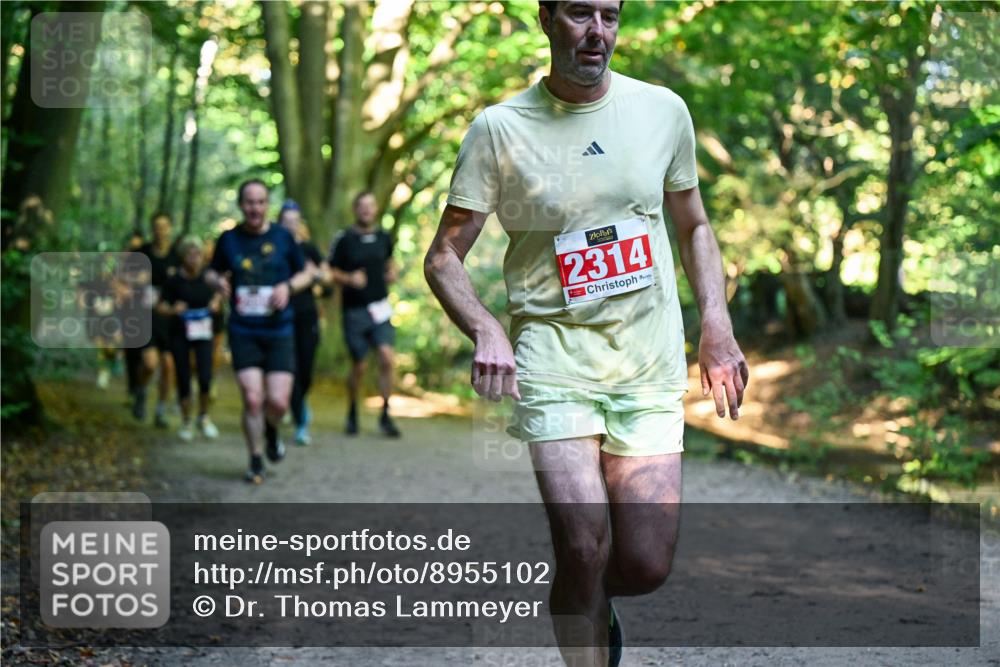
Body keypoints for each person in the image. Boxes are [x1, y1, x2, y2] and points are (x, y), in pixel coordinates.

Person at [424, 2, 750, 665]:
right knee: (581, 545)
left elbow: (694, 225)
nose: (597, 31)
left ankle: (587, 600)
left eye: (610, 15)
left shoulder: (662, 112)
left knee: (646, 563)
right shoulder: (499, 129)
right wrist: (486, 328)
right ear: (546, 19)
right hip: (553, 358)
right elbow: (443, 257)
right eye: (580, 13)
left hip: (646, 362)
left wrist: (716, 323)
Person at [205, 179, 310, 483]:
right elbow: (211, 272)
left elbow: (307, 272)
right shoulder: (228, 239)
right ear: (241, 205)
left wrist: (287, 287)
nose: (255, 208)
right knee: (252, 398)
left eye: (261, 202)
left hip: (279, 330)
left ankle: (272, 429)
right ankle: (255, 459)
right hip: (243, 330)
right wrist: (217, 282)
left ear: (267, 205)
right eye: (250, 202)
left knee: (278, 402)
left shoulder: (283, 238)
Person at [327, 192, 401, 438]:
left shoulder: (383, 237)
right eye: (362, 206)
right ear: (355, 209)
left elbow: (390, 261)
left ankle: (386, 414)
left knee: (387, 358)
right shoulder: (344, 239)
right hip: (354, 311)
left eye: (370, 206)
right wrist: (348, 278)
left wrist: (392, 272)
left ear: (376, 209)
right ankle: (352, 411)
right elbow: (329, 270)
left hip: (380, 308)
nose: (366, 210)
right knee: (359, 365)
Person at [157, 236, 222, 442]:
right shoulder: (174, 280)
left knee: (205, 376)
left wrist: (216, 302)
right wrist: (173, 310)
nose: (194, 258)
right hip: (180, 334)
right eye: (190, 254)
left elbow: (222, 292)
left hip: (204, 333)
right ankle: (186, 421)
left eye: (198, 254)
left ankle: (204, 417)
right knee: (183, 376)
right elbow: (160, 306)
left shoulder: (209, 277)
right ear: (183, 256)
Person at [278, 200, 326, 446]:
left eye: (294, 222)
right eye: (286, 222)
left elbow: (326, 275)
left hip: (307, 315)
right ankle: (300, 422)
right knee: (291, 367)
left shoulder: (309, 249)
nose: (291, 226)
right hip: (281, 316)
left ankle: (297, 402)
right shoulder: (274, 249)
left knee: (305, 368)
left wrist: (314, 274)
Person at [135, 212, 180, 426]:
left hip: (170, 320)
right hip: (146, 317)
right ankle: (141, 390)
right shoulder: (141, 254)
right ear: (152, 229)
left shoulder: (176, 257)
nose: (160, 230)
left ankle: (161, 410)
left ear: (170, 228)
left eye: (164, 226)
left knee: (169, 366)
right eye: (156, 226)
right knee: (150, 364)